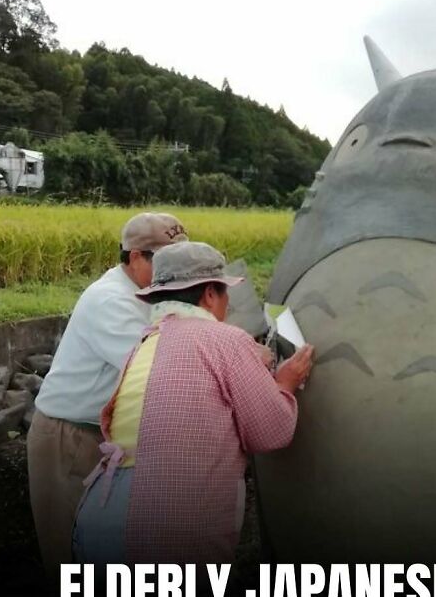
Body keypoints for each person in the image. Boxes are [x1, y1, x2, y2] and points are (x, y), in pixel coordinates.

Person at [72, 241, 313, 566]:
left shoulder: (144, 345)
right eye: (225, 293)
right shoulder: (226, 340)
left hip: (101, 514)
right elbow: (271, 432)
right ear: (210, 295)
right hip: (167, 528)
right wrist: (284, 383)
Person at [27, 212, 188, 575]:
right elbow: (155, 365)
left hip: (106, 438)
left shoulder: (148, 294)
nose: (175, 273)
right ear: (134, 257)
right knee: (69, 554)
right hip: (68, 437)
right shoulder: (111, 300)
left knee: (107, 553)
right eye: (166, 262)